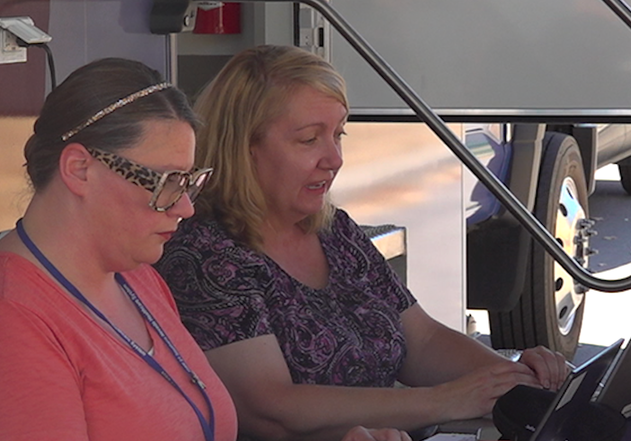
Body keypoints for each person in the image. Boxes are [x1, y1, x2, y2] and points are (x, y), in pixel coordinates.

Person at [157, 45, 570, 440]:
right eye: (308, 139)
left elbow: (421, 340)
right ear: (244, 149)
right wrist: (442, 402)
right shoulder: (204, 254)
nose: (333, 158)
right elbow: (271, 410)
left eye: (338, 134)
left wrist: (516, 381)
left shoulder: (333, 230)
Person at [0, 57, 407, 441]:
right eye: (166, 184)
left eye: (190, 183)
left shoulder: (138, 279)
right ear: (79, 169)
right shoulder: (15, 319)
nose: (185, 207)